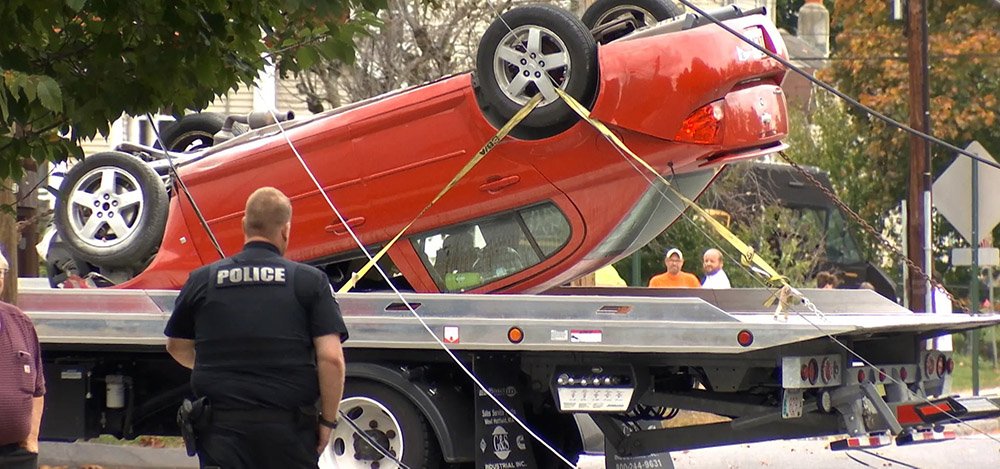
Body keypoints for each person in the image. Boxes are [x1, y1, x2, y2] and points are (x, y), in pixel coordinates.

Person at [164, 187, 348, 468]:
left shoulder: (203, 280)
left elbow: (176, 345)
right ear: (286, 230)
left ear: (243, 225)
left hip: (221, 432)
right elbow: (331, 359)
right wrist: (327, 420)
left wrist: (218, 367)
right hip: (288, 433)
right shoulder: (309, 282)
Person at [0, 251, 45, 469]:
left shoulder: (19, 322)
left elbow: (38, 389)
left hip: (16, 455)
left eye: (1, 272)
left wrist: (32, 438)